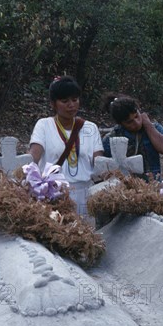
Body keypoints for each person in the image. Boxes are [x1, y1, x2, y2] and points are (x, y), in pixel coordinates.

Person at [29, 76, 103, 221]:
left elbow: (99, 163)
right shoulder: (44, 125)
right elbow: (33, 157)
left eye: (75, 100)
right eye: (65, 101)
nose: (71, 105)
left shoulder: (90, 127)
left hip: (87, 194)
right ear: (53, 104)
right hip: (55, 195)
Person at [101, 93, 163, 180]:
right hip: (125, 188)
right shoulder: (111, 139)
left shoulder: (154, 128)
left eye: (137, 116)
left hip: (153, 185)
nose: (136, 123)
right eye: (129, 122)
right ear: (120, 123)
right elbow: (105, 168)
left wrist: (148, 124)